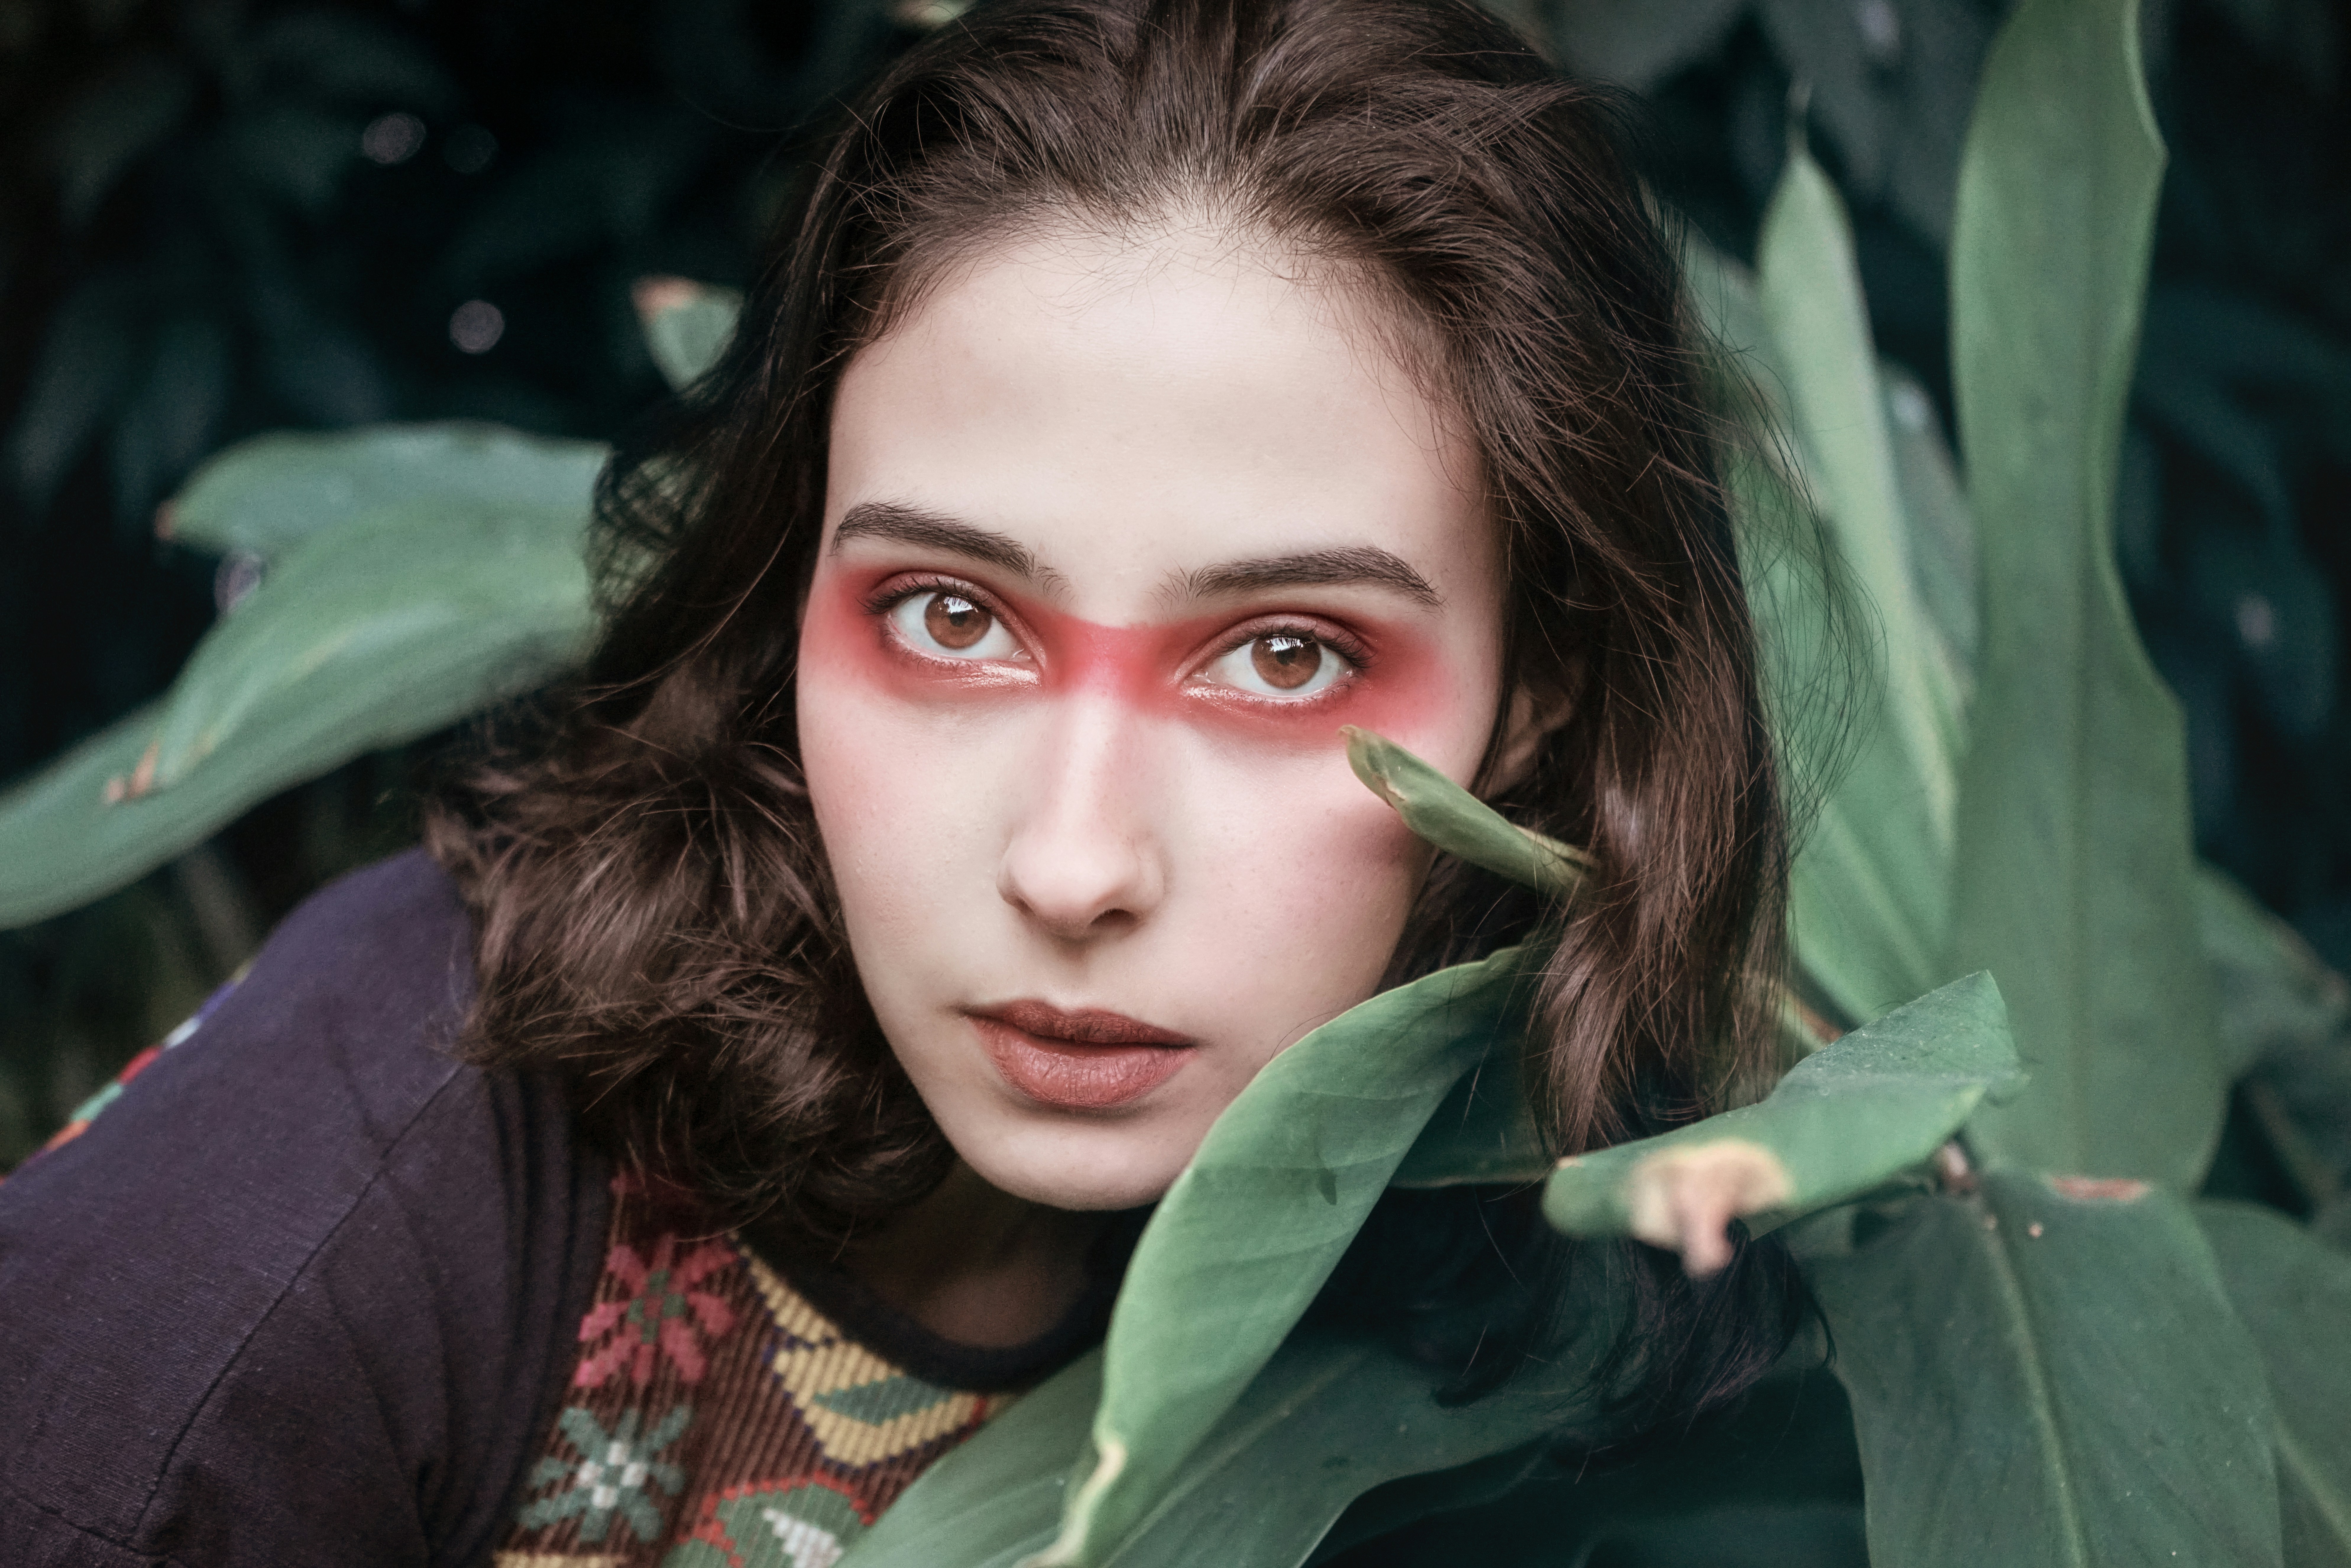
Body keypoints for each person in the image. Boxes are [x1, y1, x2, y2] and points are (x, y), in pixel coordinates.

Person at [0, 0, 1806, 1561]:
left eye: (1284, 652)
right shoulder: (308, 1259)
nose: (1075, 862)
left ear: (1544, 695)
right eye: (952, 616)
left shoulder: (1552, 1242)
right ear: (789, 591)